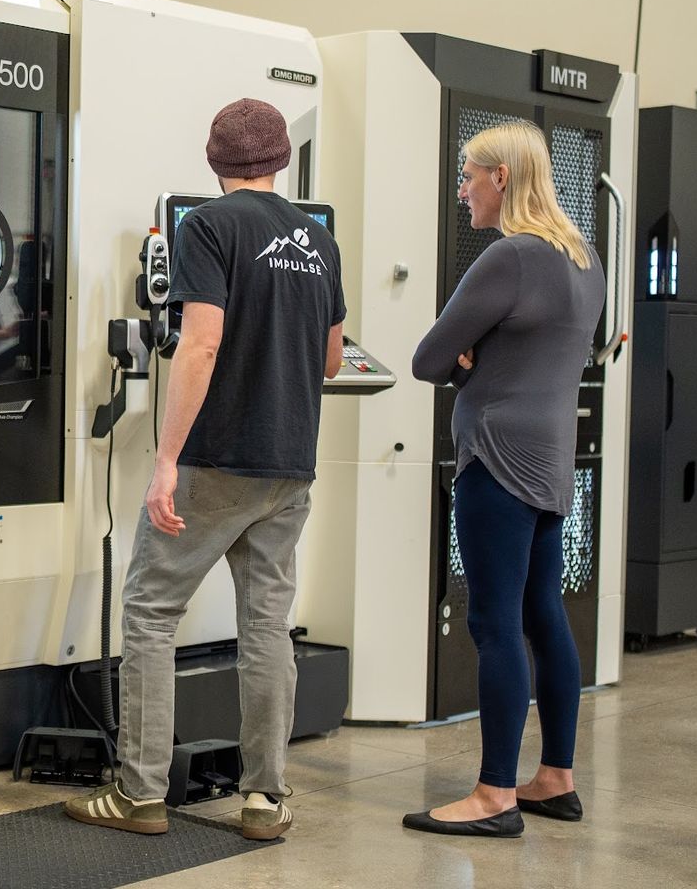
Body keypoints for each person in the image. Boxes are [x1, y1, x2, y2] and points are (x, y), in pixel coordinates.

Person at [66, 99, 345, 841]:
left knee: (152, 613)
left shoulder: (208, 227)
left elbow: (199, 346)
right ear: (281, 159)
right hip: (291, 463)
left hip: (220, 459)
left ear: (215, 160)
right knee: (267, 625)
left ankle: (140, 795)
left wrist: (165, 462)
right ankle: (264, 798)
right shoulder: (319, 241)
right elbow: (331, 359)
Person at [403, 119, 604, 838]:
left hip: (496, 461)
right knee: (542, 615)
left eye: (469, 176)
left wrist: (469, 356)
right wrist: (480, 351)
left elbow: (429, 359)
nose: (463, 191)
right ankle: (555, 777)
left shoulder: (510, 259)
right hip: (553, 464)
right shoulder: (584, 257)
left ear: (502, 179)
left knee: (492, 624)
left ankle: (494, 796)